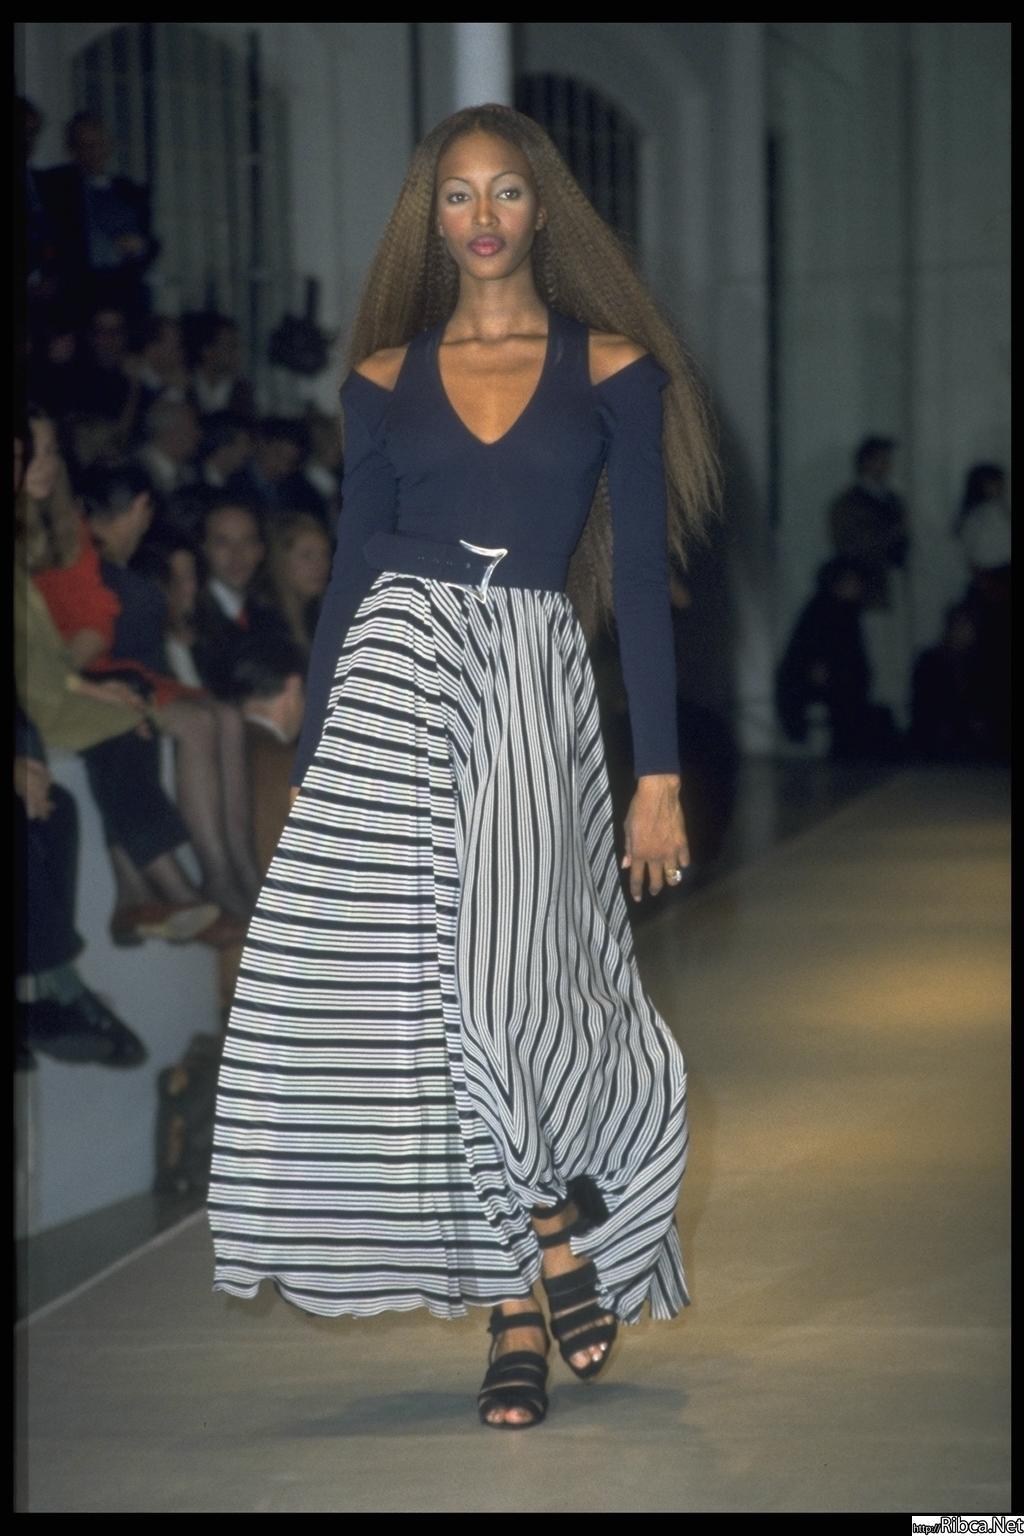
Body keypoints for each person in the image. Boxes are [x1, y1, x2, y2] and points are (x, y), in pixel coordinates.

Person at [205, 103, 721, 1432]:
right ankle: (530, 1284)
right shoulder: (381, 378)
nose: (481, 216)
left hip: (532, 693)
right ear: (430, 220)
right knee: (435, 1009)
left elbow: (644, 594)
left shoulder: (616, 370)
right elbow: (349, 578)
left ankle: (545, 1249)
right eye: (456, 196)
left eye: (504, 192)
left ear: (542, 208)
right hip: (395, 676)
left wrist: (657, 775)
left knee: (510, 989)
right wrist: (314, 762)